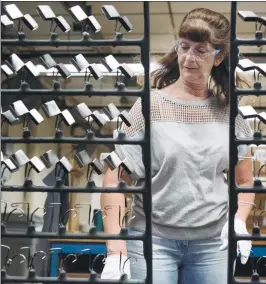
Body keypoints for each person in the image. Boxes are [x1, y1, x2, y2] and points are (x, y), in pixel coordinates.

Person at [100, 8, 255, 283]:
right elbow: (115, 177)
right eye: (184, 47)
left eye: (200, 50)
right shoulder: (149, 106)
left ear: (218, 57)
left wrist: (239, 220)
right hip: (153, 241)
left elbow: (244, 180)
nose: (188, 58)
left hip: (213, 244)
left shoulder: (229, 113)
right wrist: (115, 248)